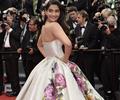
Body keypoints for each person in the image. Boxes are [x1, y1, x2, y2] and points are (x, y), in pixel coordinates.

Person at [16, 0, 104, 100]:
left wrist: (48, 57)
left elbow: (39, 45)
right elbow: (68, 44)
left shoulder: (44, 26)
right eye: (51, 11)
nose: (54, 14)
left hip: (47, 63)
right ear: (45, 11)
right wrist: (64, 60)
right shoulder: (54, 25)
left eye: (57, 11)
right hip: (59, 64)